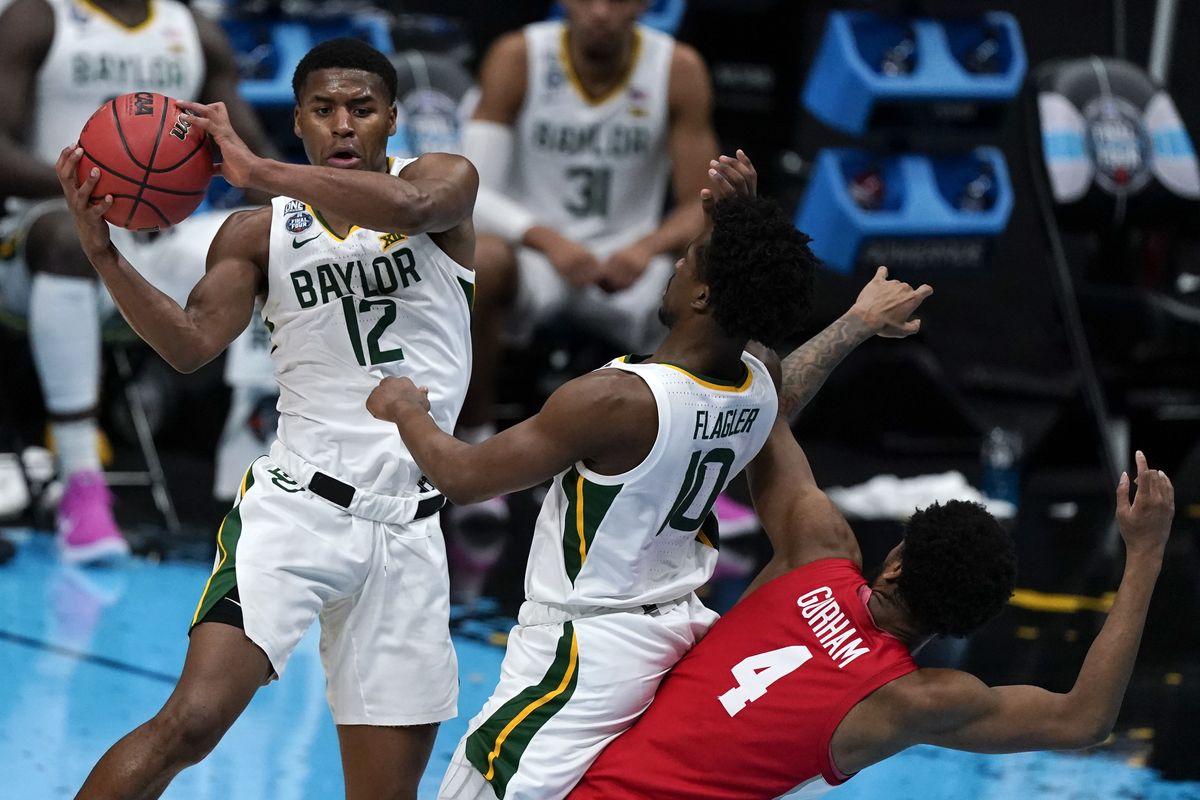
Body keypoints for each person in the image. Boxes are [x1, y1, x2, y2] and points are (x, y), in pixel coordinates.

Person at [57, 37, 478, 799]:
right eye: (324, 110)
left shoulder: (442, 184)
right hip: (296, 514)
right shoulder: (256, 233)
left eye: (362, 109)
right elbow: (189, 345)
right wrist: (106, 256)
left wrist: (254, 170)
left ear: (392, 119)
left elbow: (415, 207)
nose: (343, 125)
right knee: (189, 723)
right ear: (300, 123)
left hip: (411, 532)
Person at [365, 150, 815, 800]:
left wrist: (406, 411)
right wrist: (737, 218)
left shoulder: (616, 403)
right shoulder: (760, 375)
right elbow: (756, 292)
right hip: (676, 632)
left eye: (689, 256)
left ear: (704, 294)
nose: (675, 263)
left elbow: (462, 477)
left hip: (582, 651)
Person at [571, 375, 1175, 797]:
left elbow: (763, 402)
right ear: (962, 623)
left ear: (893, 567)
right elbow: (1084, 720)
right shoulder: (914, 701)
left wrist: (855, 323)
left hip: (567, 783)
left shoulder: (817, 552)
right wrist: (1145, 552)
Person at [450, 0, 730, 561]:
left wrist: (646, 246)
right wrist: (549, 241)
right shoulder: (519, 56)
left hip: (631, 259)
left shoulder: (677, 68)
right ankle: (476, 446)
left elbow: (701, 202)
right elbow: (471, 184)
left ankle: (693, 476)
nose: (601, 10)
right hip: (541, 256)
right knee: (483, 259)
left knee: (720, 273)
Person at [0, 0, 278, 563]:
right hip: (41, 233)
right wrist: (89, 189)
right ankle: (82, 486)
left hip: (158, 241)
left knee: (273, 240)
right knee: (66, 238)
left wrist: (321, 208)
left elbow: (253, 158)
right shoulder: (37, 18)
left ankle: (257, 483)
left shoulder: (194, 29)